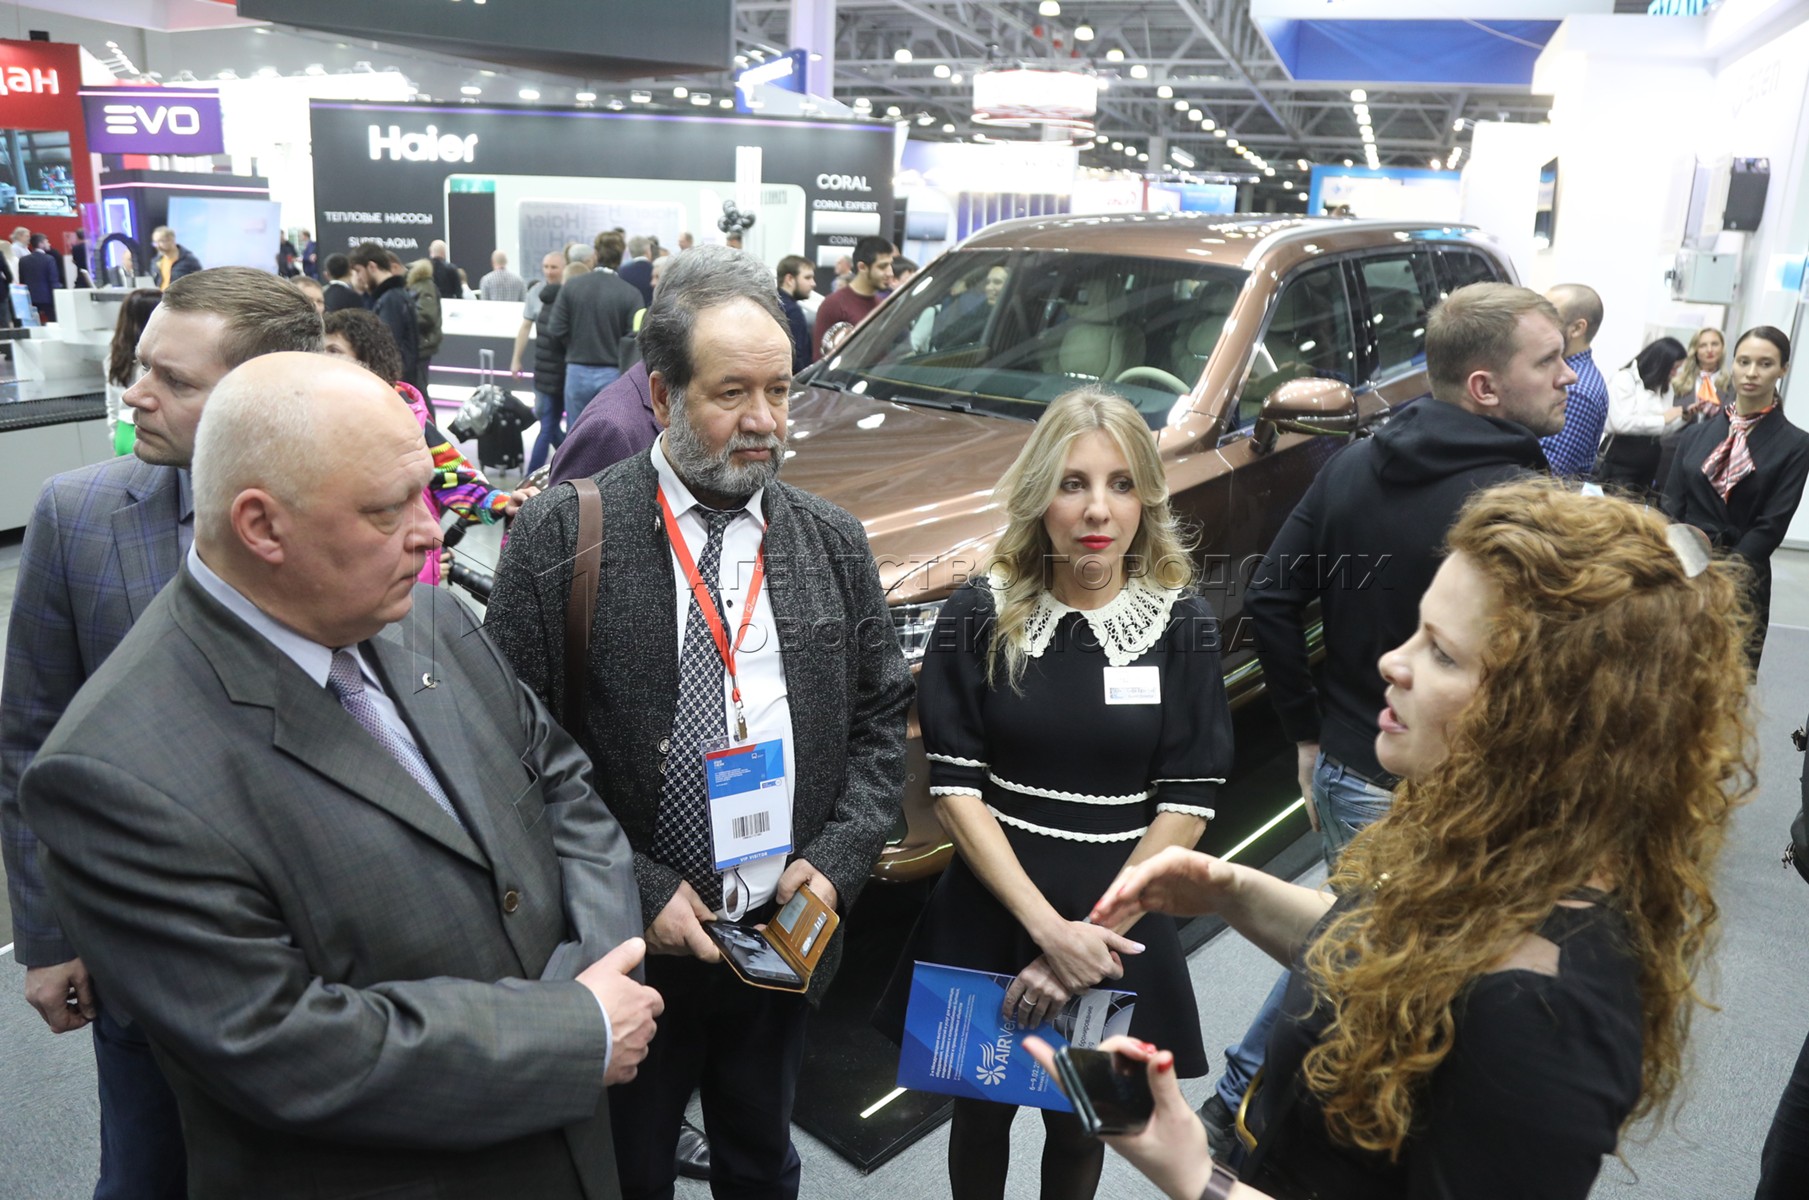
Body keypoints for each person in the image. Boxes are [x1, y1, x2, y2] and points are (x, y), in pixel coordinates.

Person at [19, 352, 661, 1199]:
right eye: (386, 508)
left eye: (426, 491)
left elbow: (562, 785)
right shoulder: (113, 775)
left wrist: (607, 966)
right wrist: (572, 1030)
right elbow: (284, 1049)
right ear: (262, 526)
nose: (429, 530)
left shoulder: (429, 618)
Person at [1034, 478, 1755, 1200]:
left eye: (1442, 654)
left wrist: (1196, 1175)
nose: (1392, 662)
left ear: (1548, 718)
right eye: (1417, 631)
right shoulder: (1494, 846)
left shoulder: (1541, 1017)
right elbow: (1392, 962)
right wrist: (1232, 892)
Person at [485, 243, 912, 1200]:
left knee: (761, 1160)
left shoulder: (830, 541)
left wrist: (836, 862)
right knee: (628, 1169)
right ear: (662, 393)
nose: (763, 420)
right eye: (732, 393)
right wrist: (639, 887)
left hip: (782, 937)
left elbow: (882, 717)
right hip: (627, 947)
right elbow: (509, 751)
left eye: (780, 391)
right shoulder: (565, 533)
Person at [1205, 282, 1570, 1153]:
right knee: (1367, 959)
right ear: (1484, 386)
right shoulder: (1520, 500)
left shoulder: (1354, 461)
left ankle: (1244, 1102)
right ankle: (1245, 1107)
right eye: (1550, 360)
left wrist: (1305, 732)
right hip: (1440, 786)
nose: (1569, 375)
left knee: (1354, 938)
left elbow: (1270, 597)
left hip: (1344, 766)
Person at [0, 268, 324, 1200]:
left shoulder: (349, 519)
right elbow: (30, 741)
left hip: (325, 961)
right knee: (146, 1174)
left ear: (261, 397)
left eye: (173, 379)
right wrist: (47, 937)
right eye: (142, 366)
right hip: (141, 958)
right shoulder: (79, 517)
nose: (135, 393)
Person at [875, 387, 1232, 1200]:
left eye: (1120, 484)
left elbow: (1187, 802)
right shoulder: (980, 612)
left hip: (1118, 920)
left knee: (1080, 1128)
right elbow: (955, 788)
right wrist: (1046, 932)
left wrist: (1089, 941)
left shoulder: (1180, 625)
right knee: (979, 1116)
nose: (1097, 509)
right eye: (1073, 483)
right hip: (995, 904)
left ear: (1146, 498)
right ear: (1039, 495)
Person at [322, 307, 531, 584]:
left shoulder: (407, 415)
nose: (321, 359)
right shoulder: (318, 415)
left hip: (409, 571)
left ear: (367, 357)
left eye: (334, 351)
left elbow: (453, 476)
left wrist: (503, 503)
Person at [1663, 326, 1808, 669]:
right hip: (1682, 571)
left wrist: (1722, 579)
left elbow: (1771, 526)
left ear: (1783, 369)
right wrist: (1682, 564)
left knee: (1723, 680)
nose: (1752, 372)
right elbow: (1670, 504)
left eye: (1765, 364)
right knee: (1669, 674)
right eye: (1744, 362)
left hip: (1741, 578)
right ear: (1734, 365)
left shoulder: (1795, 444)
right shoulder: (1697, 434)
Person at [547, 231, 641, 427]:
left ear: (596, 255)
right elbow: (634, 338)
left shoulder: (572, 286)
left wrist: (574, 346)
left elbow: (556, 327)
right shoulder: (631, 293)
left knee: (574, 433)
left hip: (576, 369)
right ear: (621, 256)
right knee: (609, 432)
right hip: (613, 371)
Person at [1596, 336, 1688, 496]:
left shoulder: (1665, 387)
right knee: (1615, 507)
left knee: (1638, 508)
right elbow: (1621, 423)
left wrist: (1682, 419)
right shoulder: (1625, 379)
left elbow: (1661, 430)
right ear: (1661, 363)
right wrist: (1663, 418)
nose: (1675, 374)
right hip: (1622, 457)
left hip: (1650, 460)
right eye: (1673, 368)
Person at [1537, 283, 1606, 478]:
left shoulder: (1575, 389)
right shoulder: (1569, 376)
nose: (1539, 321)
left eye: (1549, 315)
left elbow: (1549, 472)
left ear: (1577, 328)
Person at [517, 253, 572, 474]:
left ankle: (535, 472)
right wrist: (515, 359)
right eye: (546, 266)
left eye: (554, 267)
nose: (549, 271)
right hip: (551, 371)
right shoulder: (537, 293)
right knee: (548, 421)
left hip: (554, 372)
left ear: (564, 268)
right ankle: (567, 458)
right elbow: (525, 327)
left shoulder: (568, 294)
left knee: (547, 423)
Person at [349, 243, 420, 389]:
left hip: (394, 384)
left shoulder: (390, 299)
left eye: (358, 271)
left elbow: (385, 347)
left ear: (372, 267)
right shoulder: (395, 295)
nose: (358, 277)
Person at [104, 288, 162, 455]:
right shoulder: (154, 360)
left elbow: (112, 404)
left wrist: (115, 437)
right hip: (147, 433)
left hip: (123, 433)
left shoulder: (113, 358)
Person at [813, 238, 892, 358]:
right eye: (882, 267)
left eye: (890, 265)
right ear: (862, 267)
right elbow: (820, 359)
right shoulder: (834, 304)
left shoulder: (882, 305)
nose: (890, 273)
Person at [406, 258, 444, 395]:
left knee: (419, 388)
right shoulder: (422, 286)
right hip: (420, 344)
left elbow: (427, 316)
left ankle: (426, 409)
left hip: (422, 344)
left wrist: (405, 319)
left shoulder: (424, 287)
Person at [1673, 327, 1732, 412]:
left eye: (1714, 344)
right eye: (1703, 345)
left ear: (1722, 348)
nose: (1709, 350)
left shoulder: (1733, 384)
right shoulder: (1679, 382)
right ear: (1695, 350)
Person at [776, 254, 815, 374]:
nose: (813, 283)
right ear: (789, 279)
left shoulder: (771, 303)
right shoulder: (793, 311)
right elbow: (796, 357)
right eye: (807, 278)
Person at [18, 232, 59, 324]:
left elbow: (22, 280)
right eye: (47, 242)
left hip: (30, 297)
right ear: (41, 244)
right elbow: (53, 280)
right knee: (53, 322)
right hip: (47, 297)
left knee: (31, 323)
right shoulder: (49, 259)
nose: (49, 244)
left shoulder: (23, 260)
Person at [150, 226, 202, 291]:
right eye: (155, 242)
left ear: (172, 240)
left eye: (161, 241)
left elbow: (199, 284)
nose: (157, 246)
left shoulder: (189, 260)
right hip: (161, 296)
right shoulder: (156, 261)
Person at [619, 235, 656, 307]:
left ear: (630, 252)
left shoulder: (622, 271)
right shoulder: (655, 271)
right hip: (651, 311)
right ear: (648, 251)